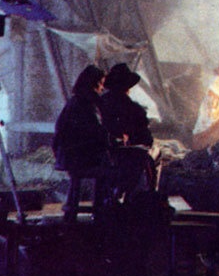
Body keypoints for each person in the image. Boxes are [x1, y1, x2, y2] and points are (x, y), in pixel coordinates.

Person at [52, 65, 114, 221]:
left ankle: (75, 210)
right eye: (101, 83)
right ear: (94, 83)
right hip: (78, 159)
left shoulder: (74, 101)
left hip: (67, 157)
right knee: (109, 169)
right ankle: (100, 210)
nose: (102, 88)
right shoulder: (87, 104)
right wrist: (113, 140)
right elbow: (96, 132)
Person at [100, 62, 157, 196]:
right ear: (127, 87)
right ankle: (144, 195)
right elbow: (146, 138)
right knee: (150, 155)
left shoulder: (101, 103)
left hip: (101, 152)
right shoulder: (133, 108)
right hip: (121, 154)